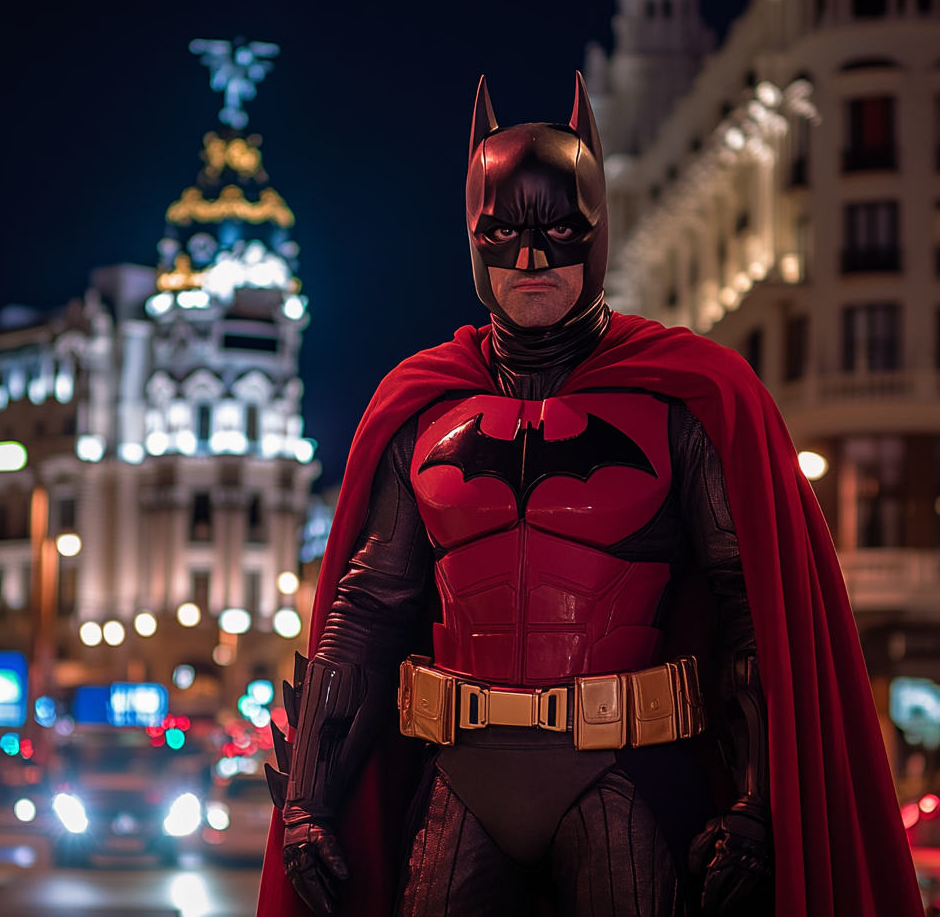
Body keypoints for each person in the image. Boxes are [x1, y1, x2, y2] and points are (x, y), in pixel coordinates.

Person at [256, 74, 920, 917]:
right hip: (458, 772)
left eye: (559, 231)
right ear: (473, 242)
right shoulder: (423, 404)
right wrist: (311, 798)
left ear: (596, 237)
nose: (530, 259)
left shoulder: (684, 396)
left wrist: (756, 803)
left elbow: (749, 606)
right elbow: (366, 609)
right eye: (502, 233)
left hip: (627, 774)